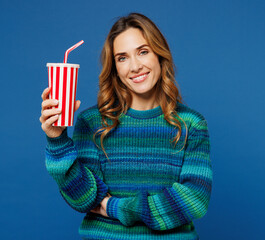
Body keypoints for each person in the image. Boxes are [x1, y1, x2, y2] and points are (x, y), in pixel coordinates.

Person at [40, 12, 212, 240]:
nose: (135, 66)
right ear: (115, 68)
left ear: (160, 55)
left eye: (143, 52)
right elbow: (84, 199)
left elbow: (194, 200)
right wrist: (57, 139)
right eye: (122, 58)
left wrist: (114, 207)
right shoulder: (92, 122)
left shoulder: (191, 124)